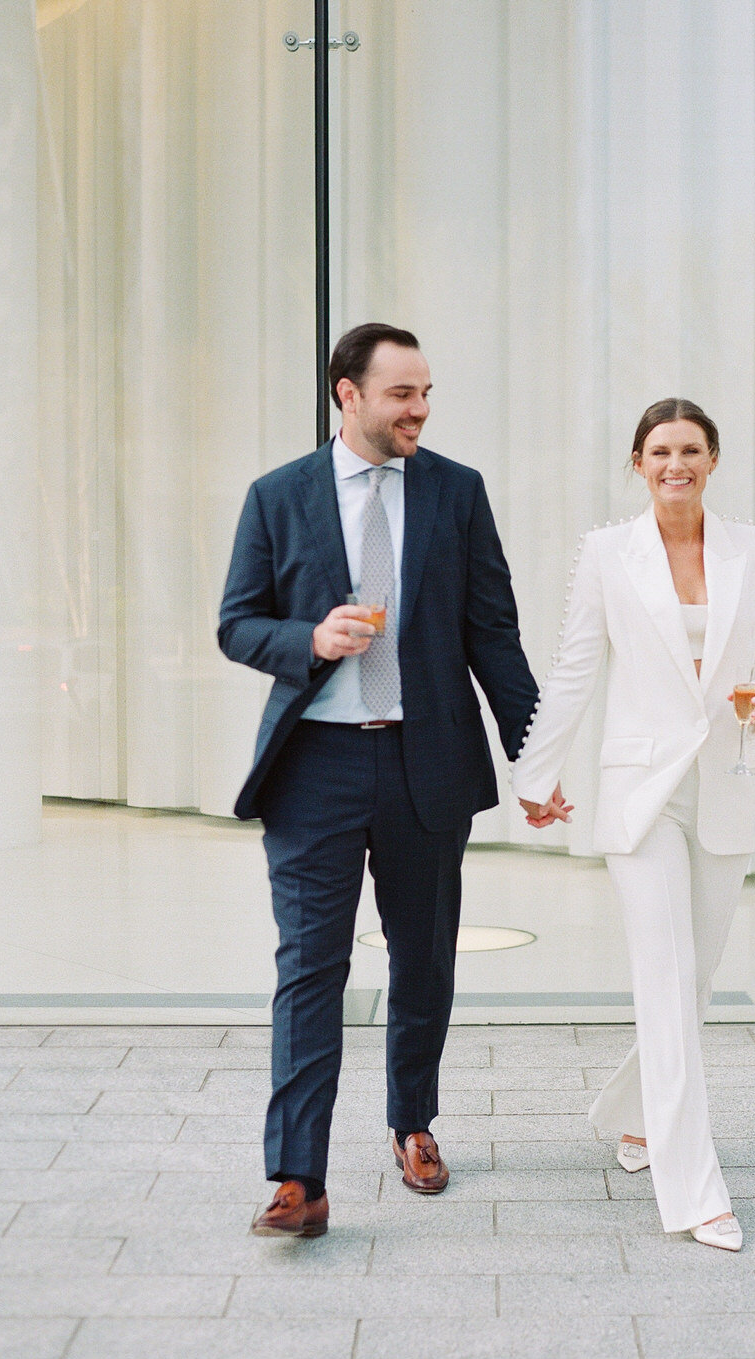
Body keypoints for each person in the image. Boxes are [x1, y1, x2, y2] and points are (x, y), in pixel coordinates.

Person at [219, 322, 551, 1236]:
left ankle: (414, 1122)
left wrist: (539, 755)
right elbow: (236, 623)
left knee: (425, 960)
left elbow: (495, 635)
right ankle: (298, 1177)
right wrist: (309, 641)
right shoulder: (278, 496)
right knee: (309, 969)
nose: (421, 410)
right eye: (403, 393)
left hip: (425, 764)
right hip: (314, 769)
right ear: (347, 393)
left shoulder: (457, 491)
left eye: (427, 392)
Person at [511, 398, 755, 1250]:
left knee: (693, 981)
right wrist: (536, 772)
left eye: (693, 450)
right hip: (642, 791)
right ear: (639, 462)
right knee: (664, 983)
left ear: (714, 461)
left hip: (726, 783)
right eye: (661, 450)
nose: (677, 463)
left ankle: (633, 1114)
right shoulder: (608, 553)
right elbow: (574, 668)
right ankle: (695, 1189)